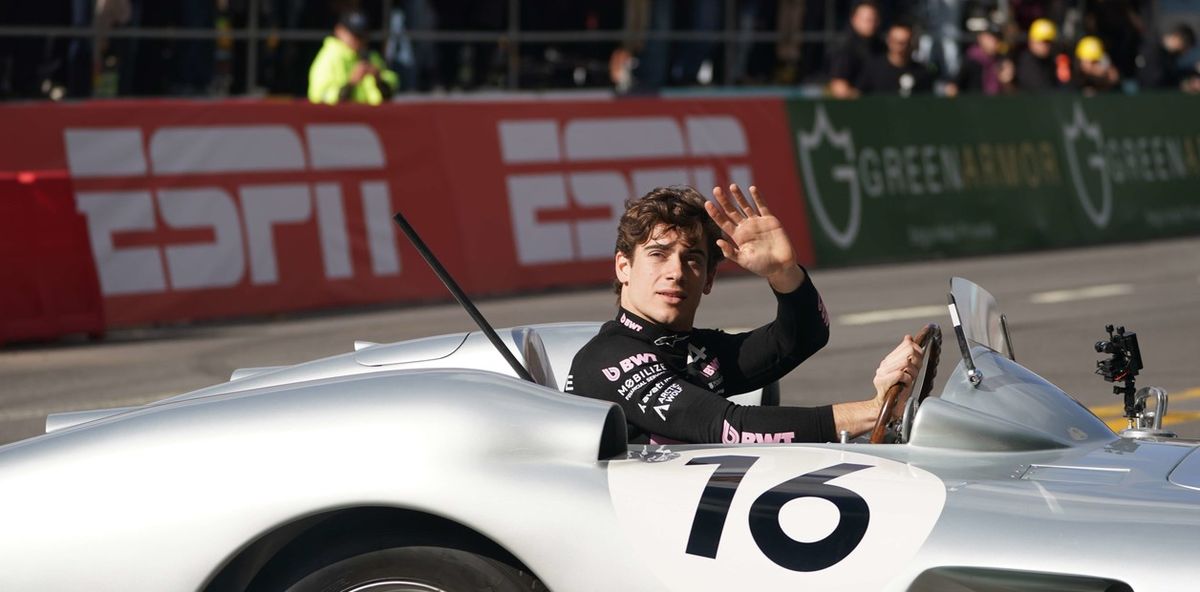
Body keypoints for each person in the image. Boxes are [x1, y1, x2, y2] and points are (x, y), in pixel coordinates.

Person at [565, 185, 923, 445]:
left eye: (692, 259)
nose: (676, 272)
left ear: (708, 279)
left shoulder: (691, 350)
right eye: (658, 255)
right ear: (623, 267)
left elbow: (801, 338)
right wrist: (873, 411)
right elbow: (730, 427)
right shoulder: (608, 360)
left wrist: (783, 273)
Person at [308, 9, 398, 105]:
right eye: (354, 35)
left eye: (362, 35)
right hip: (342, 114)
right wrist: (351, 84)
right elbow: (320, 98)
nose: (359, 40)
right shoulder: (328, 57)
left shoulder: (372, 57)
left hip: (369, 113)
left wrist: (378, 79)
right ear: (339, 31)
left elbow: (390, 90)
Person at [856, 21, 936, 96]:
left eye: (904, 43)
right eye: (895, 41)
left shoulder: (921, 72)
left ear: (911, 44)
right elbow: (859, 95)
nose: (899, 47)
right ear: (888, 40)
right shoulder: (873, 68)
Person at [827, 1, 885, 99]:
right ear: (854, 20)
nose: (871, 23)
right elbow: (839, 88)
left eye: (874, 19)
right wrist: (864, 99)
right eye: (867, 20)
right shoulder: (845, 48)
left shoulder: (881, 47)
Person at [947, 22, 1015, 96]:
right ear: (980, 38)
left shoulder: (1002, 60)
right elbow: (952, 87)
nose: (994, 41)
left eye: (997, 38)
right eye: (990, 37)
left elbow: (1012, 94)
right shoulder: (971, 59)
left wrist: (1006, 82)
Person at [1015, 18, 1068, 92]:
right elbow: (1040, 90)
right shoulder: (1025, 62)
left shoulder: (1053, 60)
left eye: (1049, 42)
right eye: (1043, 41)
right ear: (1031, 41)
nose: (1046, 45)